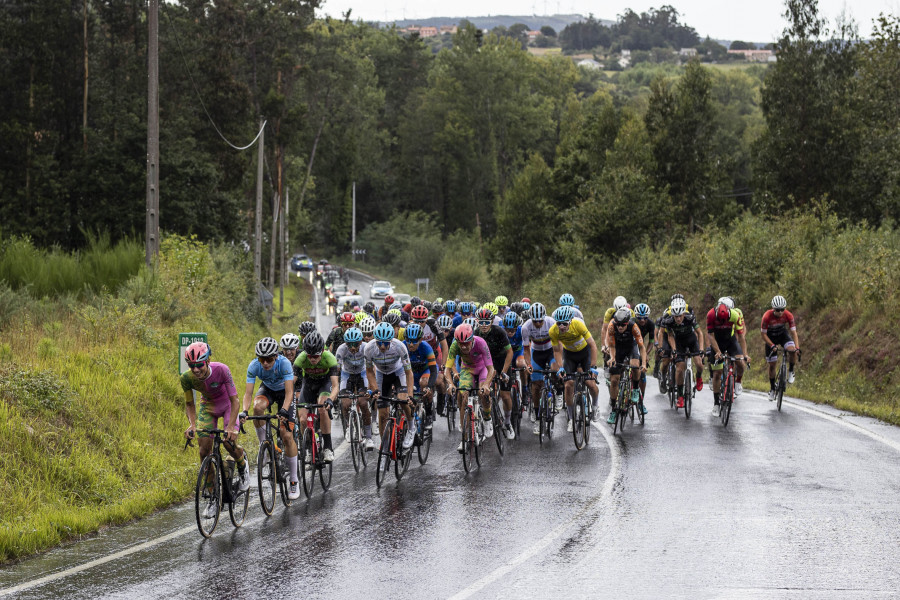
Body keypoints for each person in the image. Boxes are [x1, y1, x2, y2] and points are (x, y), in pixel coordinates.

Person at [182, 342, 250, 518]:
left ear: (208, 361)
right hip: (209, 406)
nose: (195, 370)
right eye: (191, 365)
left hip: (227, 404)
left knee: (228, 441)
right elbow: (190, 403)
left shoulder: (221, 369)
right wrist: (192, 424)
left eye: (199, 365)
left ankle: (242, 465)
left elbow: (235, 401)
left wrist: (230, 427)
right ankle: (213, 497)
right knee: (204, 451)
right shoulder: (186, 378)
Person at [240, 337, 299, 499]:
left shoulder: (284, 364)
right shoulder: (254, 366)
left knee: (286, 435)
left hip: (284, 394)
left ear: (276, 356)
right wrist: (244, 411)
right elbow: (248, 393)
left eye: (269, 359)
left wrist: (285, 410)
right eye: (262, 359)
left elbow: (289, 393)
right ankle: (264, 446)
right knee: (257, 408)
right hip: (268, 389)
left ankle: (294, 480)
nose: (265, 363)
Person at [444, 324, 496, 452]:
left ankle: (488, 418)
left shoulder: (481, 343)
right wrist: (450, 384)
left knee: (482, 392)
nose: (463, 346)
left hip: (483, 368)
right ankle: (464, 437)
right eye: (460, 343)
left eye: (466, 343)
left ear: (472, 339)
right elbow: (447, 370)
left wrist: (486, 385)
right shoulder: (455, 345)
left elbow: (491, 369)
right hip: (467, 369)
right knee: (463, 394)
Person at [365, 322, 416, 450]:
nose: (382, 346)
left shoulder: (399, 346)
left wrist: (410, 395)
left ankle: (411, 427)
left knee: (403, 400)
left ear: (391, 340)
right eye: (379, 343)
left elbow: (409, 373)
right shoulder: (369, 348)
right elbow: (369, 371)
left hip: (398, 373)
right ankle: (385, 448)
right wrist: (375, 388)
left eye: (386, 343)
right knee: (382, 414)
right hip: (382, 375)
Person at [550, 305, 601, 429]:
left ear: (570, 321)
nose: (561, 327)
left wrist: (593, 366)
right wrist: (560, 367)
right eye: (559, 324)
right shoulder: (553, 331)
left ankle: (595, 407)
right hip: (570, 355)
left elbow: (593, 346)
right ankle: (571, 419)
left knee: (590, 383)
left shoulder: (578, 325)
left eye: (564, 324)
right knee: (568, 385)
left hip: (585, 353)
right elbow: (557, 351)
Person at [293, 332, 339, 464]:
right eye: (309, 356)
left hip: (324, 383)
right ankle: (308, 448)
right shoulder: (300, 358)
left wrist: (331, 398)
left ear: (322, 352)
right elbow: (291, 382)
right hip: (308, 384)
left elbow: (335, 386)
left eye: (316, 356)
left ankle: (328, 447)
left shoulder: (329, 358)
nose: (312, 359)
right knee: (302, 418)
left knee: (323, 407)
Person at [475, 307, 515, 439]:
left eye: (487, 322)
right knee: (484, 390)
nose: (484, 325)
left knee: (505, 395)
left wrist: (503, 372)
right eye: (481, 322)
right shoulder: (476, 333)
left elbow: (510, 352)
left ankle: (508, 423)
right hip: (487, 363)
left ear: (492, 321)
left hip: (502, 362)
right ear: (477, 321)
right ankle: (487, 416)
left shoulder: (499, 332)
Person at [604, 309, 647, 423]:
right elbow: (612, 346)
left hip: (631, 347)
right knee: (614, 380)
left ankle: (636, 389)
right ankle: (613, 410)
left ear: (627, 323)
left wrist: (643, 364)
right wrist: (612, 358)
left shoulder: (633, 326)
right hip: (618, 348)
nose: (620, 327)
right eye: (618, 325)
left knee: (635, 365)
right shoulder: (612, 326)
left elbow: (641, 347)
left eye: (623, 325)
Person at [335, 327, 375, 450]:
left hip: (362, 375)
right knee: (345, 403)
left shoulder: (366, 347)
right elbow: (336, 370)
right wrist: (335, 387)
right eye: (349, 344)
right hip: (347, 376)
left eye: (356, 344)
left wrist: (372, 386)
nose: (352, 348)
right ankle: (348, 426)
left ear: (361, 342)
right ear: (345, 343)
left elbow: (372, 368)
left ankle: (368, 437)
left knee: (363, 403)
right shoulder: (341, 349)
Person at [661, 299, 705, 410]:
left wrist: (701, 349)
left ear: (683, 314)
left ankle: (699, 377)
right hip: (679, 343)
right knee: (679, 369)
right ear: (673, 316)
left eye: (680, 316)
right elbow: (670, 336)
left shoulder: (690, 318)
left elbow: (700, 333)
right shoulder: (669, 321)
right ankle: (680, 396)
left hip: (692, 341)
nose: (678, 319)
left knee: (699, 364)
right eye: (676, 317)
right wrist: (674, 350)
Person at [522, 302, 557, 434]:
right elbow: (526, 350)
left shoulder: (552, 323)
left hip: (550, 351)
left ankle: (558, 391)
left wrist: (559, 365)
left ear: (544, 317)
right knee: (536, 386)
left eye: (540, 321)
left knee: (555, 370)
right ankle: (537, 419)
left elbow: (558, 346)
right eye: (535, 321)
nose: (537, 324)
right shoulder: (525, 327)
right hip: (536, 352)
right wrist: (529, 364)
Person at [707, 301, 747, 416]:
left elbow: (741, 335)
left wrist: (744, 354)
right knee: (717, 374)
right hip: (717, 342)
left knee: (740, 363)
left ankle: (738, 382)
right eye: (720, 320)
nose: (723, 322)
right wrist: (718, 351)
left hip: (730, 341)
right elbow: (710, 335)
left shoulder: (735, 315)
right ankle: (716, 404)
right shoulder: (710, 315)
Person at [761, 295, 800, 399]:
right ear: (773, 309)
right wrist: (772, 345)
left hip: (783, 335)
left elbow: (794, 332)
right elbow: (763, 335)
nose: (780, 312)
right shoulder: (766, 316)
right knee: (772, 365)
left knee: (792, 351)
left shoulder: (788, 315)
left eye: (783, 309)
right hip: (770, 337)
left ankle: (791, 370)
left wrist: (797, 347)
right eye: (778, 310)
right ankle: (773, 389)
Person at [403, 322, 438, 430]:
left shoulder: (426, 348)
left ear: (421, 340)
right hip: (410, 372)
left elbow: (433, 371)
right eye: (409, 340)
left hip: (425, 370)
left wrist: (429, 386)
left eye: (414, 341)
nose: (411, 344)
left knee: (424, 383)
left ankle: (428, 414)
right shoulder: (402, 346)